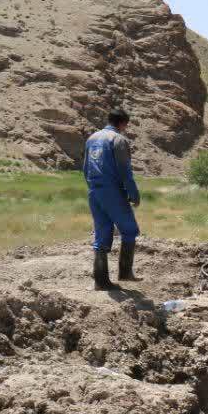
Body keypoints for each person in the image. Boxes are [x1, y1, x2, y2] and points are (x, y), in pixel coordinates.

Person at [81, 108, 140, 291]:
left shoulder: (92, 139)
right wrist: (134, 194)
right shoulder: (118, 140)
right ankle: (125, 273)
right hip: (112, 191)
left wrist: (94, 188)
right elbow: (125, 171)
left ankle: (101, 281)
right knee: (129, 230)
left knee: (102, 234)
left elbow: (85, 169)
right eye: (126, 125)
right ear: (122, 123)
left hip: (94, 191)